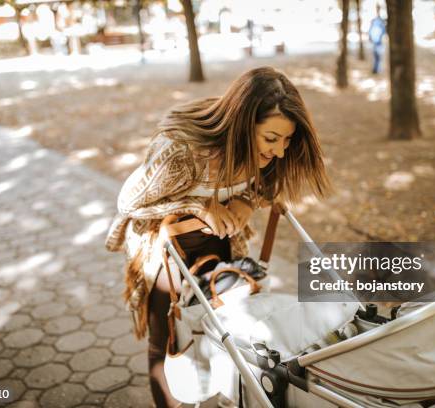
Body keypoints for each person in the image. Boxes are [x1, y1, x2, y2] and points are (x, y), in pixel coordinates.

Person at [105, 66, 331, 407]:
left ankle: (216, 386)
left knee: (218, 324)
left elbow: (268, 189)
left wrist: (245, 201)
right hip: (162, 247)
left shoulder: (269, 154)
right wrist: (199, 208)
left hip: (219, 241)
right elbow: (129, 202)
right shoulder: (183, 150)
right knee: (168, 339)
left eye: (286, 140)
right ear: (243, 125)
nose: (280, 151)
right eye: (271, 139)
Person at [369, 5, 387, 74]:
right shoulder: (378, 21)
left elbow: (383, 31)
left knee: (377, 56)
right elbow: (383, 31)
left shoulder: (377, 20)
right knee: (377, 56)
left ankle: (376, 69)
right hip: (377, 41)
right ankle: (376, 69)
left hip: (377, 41)